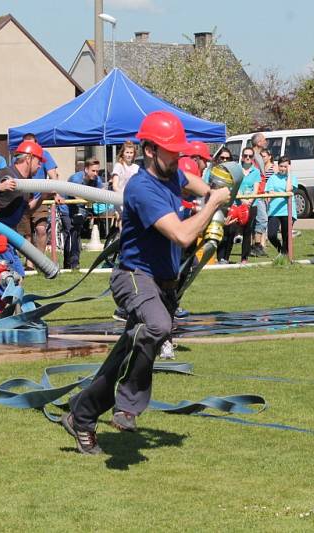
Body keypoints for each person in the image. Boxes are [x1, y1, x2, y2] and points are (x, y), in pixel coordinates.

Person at [61, 110, 230, 455]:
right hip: (135, 277)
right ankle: (127, 406)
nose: (179, 155)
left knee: (125, 355)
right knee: (156, 325)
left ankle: (82, 414)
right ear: (150, 150)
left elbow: (202, 187)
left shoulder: (173, 175)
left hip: (163, 283)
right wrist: (213, 205)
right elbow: (183, 235)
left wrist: (218, 195)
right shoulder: (142, 188)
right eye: (173, 150)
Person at [0, 140, 48, 277]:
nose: (40, 166)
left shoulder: (26, 183)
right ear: (29, 158)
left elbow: (27, 210)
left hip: (7, 236)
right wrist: (0, 186)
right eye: (38, 161)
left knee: (16, 275)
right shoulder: (7, 173)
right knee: (12, 275)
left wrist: (43, 197)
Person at [18, 133, 57, 267]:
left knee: (41, 229)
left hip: (40, 198)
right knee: (27, 234)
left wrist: (56, 193)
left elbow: (53, 176)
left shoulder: (44, 154)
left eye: (32, 144)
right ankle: (29, 263)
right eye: (26, 144)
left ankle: (40, 261)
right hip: (24, 199)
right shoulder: (19, 158)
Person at [217, 147, 260, 264]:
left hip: (251, 205)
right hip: (236, 204)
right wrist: (242, 200)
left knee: (247, 232)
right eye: (245, 155)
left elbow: (256, 188)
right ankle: (225, 257)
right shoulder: (236, 169)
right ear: (242, 156)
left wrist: (250, 201)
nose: (247, 158)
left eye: (250, 156)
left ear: (253, 158)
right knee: (231, 230)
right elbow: (234, 185)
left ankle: (244, 258)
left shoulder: (256, 172)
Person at [61, 159, 104, 270]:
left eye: (97, 171)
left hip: (82, 209)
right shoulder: (76, 179)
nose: (96, 174)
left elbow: (100, 193)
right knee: (70, 234)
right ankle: (70, 263)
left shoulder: (97, 180)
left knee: (77, 234)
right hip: (67, 208)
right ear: (86, 169)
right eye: (93, 171)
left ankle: (74, 263)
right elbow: (77, 196)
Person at [265, 156, 298, 259]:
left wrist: (289, 174)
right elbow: (269, 192)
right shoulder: (272, 178)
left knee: (286, 236)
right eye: (281, 166)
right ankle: (281, 251)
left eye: (285, 166)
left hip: (288, 210)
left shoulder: (292, 178)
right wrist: (281, 193)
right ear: (277, 166)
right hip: (274, 210)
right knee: (271, 235)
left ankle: (284, 256)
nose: (283, 168)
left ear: (289, 167)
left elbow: (289, 189)